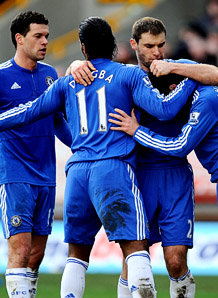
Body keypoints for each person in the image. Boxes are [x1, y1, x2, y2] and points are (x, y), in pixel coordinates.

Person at [0, 16, 199, 298]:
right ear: (115, 46)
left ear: (83, 48)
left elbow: (27, 112)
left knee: (76, 255)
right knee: (135, 247)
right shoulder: (129, 75)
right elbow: (164, 111)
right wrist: (190, 78)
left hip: (78, 172)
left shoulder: (66, 82)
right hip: (113, 166)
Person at [70, 17, 200, 298]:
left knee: (175, 260)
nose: (157, 52)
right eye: (149, 45)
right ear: (134, 45)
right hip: (137, 173)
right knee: (133, 256)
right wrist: (74, 64)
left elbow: (214, 74)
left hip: (174, 172)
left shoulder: (177, 69)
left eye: (161, 45)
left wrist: (182, 69)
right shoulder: (124, 77)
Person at [0, 11, 72, 298]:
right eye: (38, 36)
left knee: (37, 255)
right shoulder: (2, 76)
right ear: (19, 39)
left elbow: (57, 122)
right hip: (15, 173)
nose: (45, 42)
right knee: (20, 250)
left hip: (46, 174)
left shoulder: (50, 75)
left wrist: (80, 146)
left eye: (46, 36)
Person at [108, 81, 218, 202]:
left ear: (177, 86)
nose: (167, 99)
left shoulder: (205, 100)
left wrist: (137, 131)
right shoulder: (207, 94)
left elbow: (180, 146)